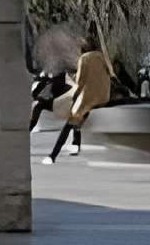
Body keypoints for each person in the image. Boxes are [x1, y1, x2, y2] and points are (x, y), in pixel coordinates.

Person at [46, 30, 111, 161]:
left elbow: (80, 82)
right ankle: (75, 144)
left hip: (91, 98)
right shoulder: (101, 56)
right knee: (78, 114)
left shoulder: (84, 59)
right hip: (104, 95)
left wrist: (74, 91)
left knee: (71, 119)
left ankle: (52, 155)